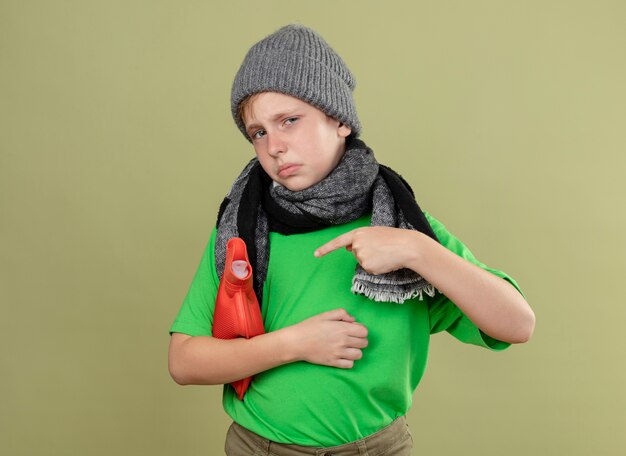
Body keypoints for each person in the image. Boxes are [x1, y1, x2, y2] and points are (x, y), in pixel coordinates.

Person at [168, 24, 535, 456]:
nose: (274, 147)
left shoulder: (402, 227)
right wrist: (294, 343)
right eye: (258, 132)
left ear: (339, 119)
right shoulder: (242, 229)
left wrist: (417, 250)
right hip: (258, 446)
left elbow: (517, 324)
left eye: (289, 120)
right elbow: (184, 360)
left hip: (377, 448)